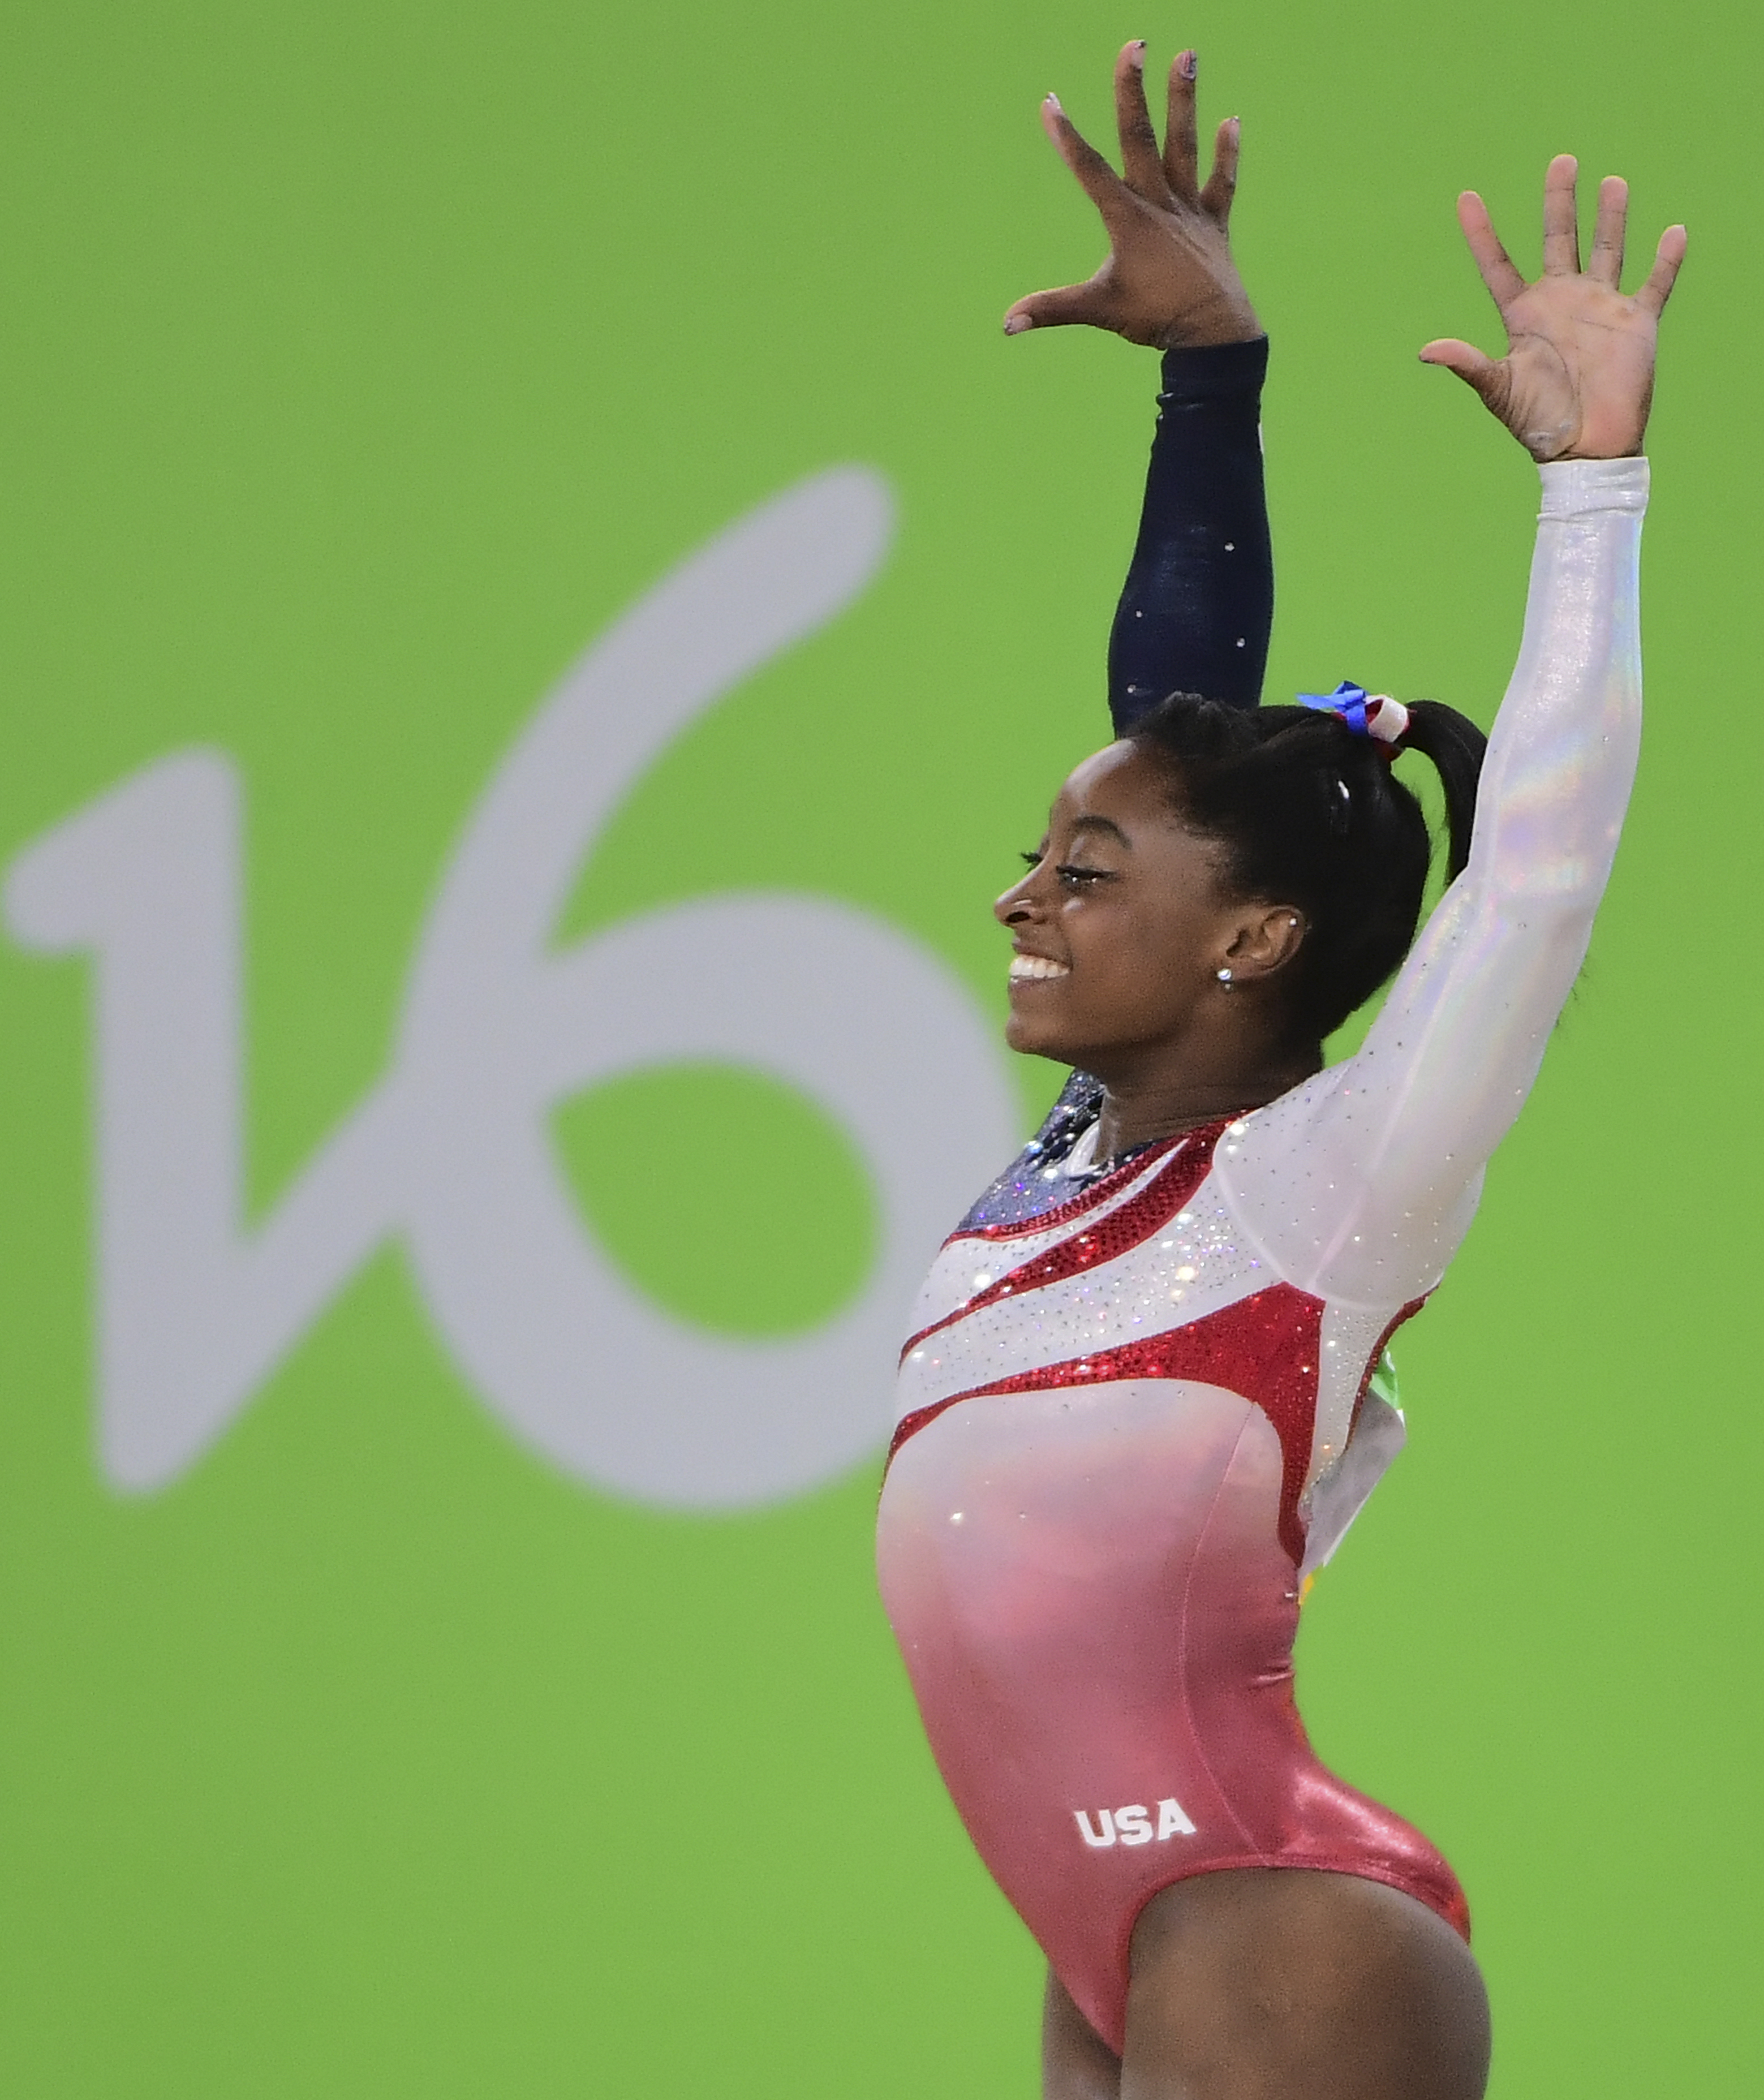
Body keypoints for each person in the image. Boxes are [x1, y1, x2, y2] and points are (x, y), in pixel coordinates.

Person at [874, 41, 1682, 2099]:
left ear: (1253, 940)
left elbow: (1542, 881)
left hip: (1271, 1925)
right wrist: (1211, 373)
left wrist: (1592, 490)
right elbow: (1177, 739)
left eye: (1081, 872)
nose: (1022, 900)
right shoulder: (1083, 1151)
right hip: (1110, 1940)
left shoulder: (1323, 1187)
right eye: (1042, 860)